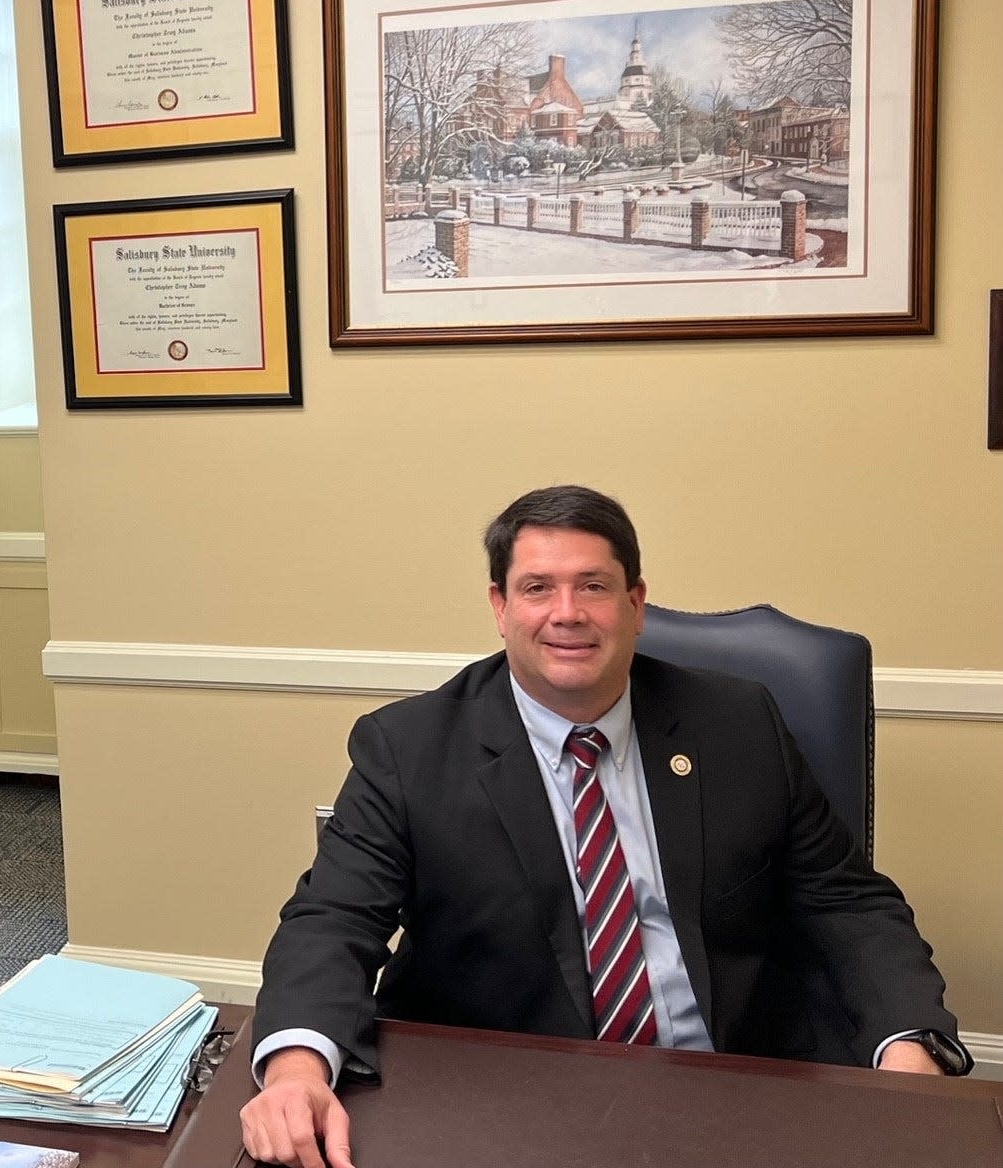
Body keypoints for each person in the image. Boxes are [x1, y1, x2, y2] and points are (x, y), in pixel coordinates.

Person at [240, 485, 970, 1168]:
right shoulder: (409, 748)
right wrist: (297, 1070)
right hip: (508, 1092)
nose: (567, 612)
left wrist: (906, 1054)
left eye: (593, 585)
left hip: (732, 1081)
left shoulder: (738, 722)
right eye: (537, 588)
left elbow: (846, 900)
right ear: (500, 607)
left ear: (635, 602)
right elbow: (332, 919)